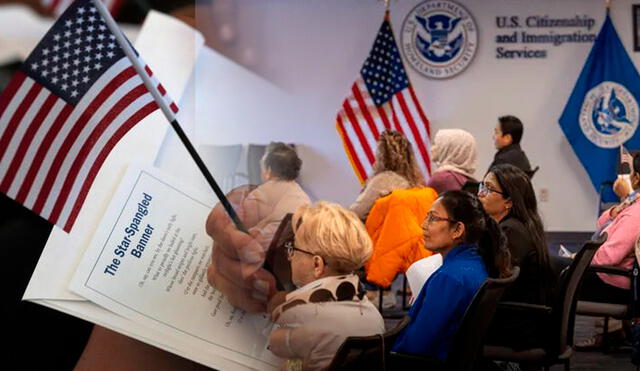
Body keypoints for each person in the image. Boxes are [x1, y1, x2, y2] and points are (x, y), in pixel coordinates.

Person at [392, 190, 512, 359]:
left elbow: (415, 345)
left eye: (433, 218)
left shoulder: (450, 278)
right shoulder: (476, 262)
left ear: (457, 230)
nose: (423, 224)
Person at [267, 202, 385, 371]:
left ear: (317, 264)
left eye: (294, 248)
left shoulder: (304, 319)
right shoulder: (371, 312)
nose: (290, 257)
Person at [479, 164, 554, 349]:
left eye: (488, 189)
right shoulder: (516, 226)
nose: (480, 194)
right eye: (482, 186)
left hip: (516, 325)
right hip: (520, 316)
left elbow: (496, 285)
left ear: (509, 202)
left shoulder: (511, 232)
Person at [241, 142, 311, 249]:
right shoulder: (305, 199)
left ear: (268, 171)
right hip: (292, 255)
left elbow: (243, 232)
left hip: (261, 254)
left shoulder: (256, 196)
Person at [349, 130, 425, 220]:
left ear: (381, 155)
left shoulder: (383, 181)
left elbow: (355, 213)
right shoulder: (416, 183)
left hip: (381, 232)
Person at [427, 129, 478, 194]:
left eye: (435, 144)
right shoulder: (467, 179)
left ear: (448, 148)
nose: (431, 149)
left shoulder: (441, 179)